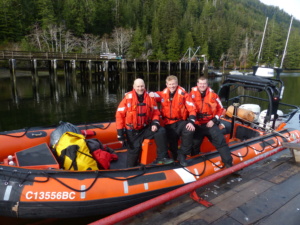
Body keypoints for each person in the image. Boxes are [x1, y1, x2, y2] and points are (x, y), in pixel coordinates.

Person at [116, 78, 174, 167]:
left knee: (160, 131)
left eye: (142, 86)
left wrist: (155, 123)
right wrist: (120, 134)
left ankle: (162, 157)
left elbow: (155, 112)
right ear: (134, 87)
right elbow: (119, 115)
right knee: (133, 153)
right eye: (138, 86)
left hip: (145, 128)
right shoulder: (127, 98)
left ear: (145, 86)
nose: (140, 88)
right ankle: (129, 170)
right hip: (132, 131)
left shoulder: (150, 98)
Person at [151, 75, 196, 166]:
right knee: (172, 144)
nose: (172, 86)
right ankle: (173, 158)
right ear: (167, 84)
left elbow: (192, 109)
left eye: (174, 84)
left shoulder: (184, 95)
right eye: (170, 84)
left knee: (189, 130)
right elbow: (148, 95)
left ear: (177, 84)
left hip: (180, 121)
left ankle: (183, 155)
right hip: (168, 123)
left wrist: (191, 122)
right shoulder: (163, 94)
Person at [190, 76, 233, 168]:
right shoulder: (190, 95)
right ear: (197, 84)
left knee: (220, 142)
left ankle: (228, 163)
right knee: (194, 144)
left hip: (210, 123)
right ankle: (194, 162)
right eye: (200, 83)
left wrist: (214, 120)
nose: (202, 85)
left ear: (207, 84)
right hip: (197, 124)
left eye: (204, 83)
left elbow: (221, 109)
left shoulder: (214, 96)